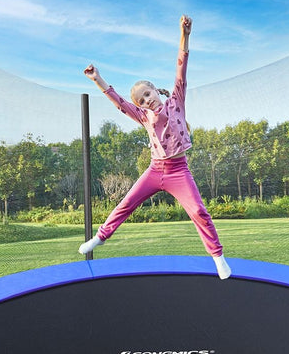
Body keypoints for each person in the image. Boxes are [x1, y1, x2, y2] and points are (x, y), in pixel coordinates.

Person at [80, 15, 232, 279]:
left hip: (178, 171)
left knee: (198, 210)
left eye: (147, 95)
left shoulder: (176, 100)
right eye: (140, 101)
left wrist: (185, 35)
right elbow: (118, 102)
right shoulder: (141, 116)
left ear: (155, 90)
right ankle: (101, 237)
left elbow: (181, 67)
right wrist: (97, 79)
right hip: (154, 170)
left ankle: (217, 257)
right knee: (126, 203)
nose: (146, 101)